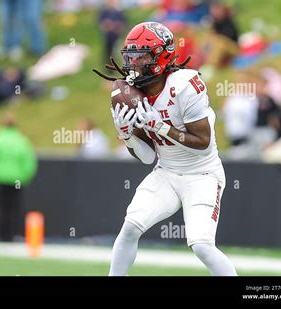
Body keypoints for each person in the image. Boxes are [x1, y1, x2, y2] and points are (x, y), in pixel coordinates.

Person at [94, 22, 237, 276]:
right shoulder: (129, 93)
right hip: (166, 172)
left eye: (142, 56)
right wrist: (128, 136)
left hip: (202, 174)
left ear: (161, 56)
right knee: (130, 228)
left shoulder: (185, 85)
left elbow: (202, 144)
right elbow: (147, 157)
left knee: (202, 245)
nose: (134, 64)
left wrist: (160, 127)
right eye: (131, 57)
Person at [0, 115, 37, 242]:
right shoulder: (22, 140)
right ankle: (12, 235)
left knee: (1, 207)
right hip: (17, 180)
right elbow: (29, 161)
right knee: (15, 208)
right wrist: (25, 177)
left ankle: (1, 235)